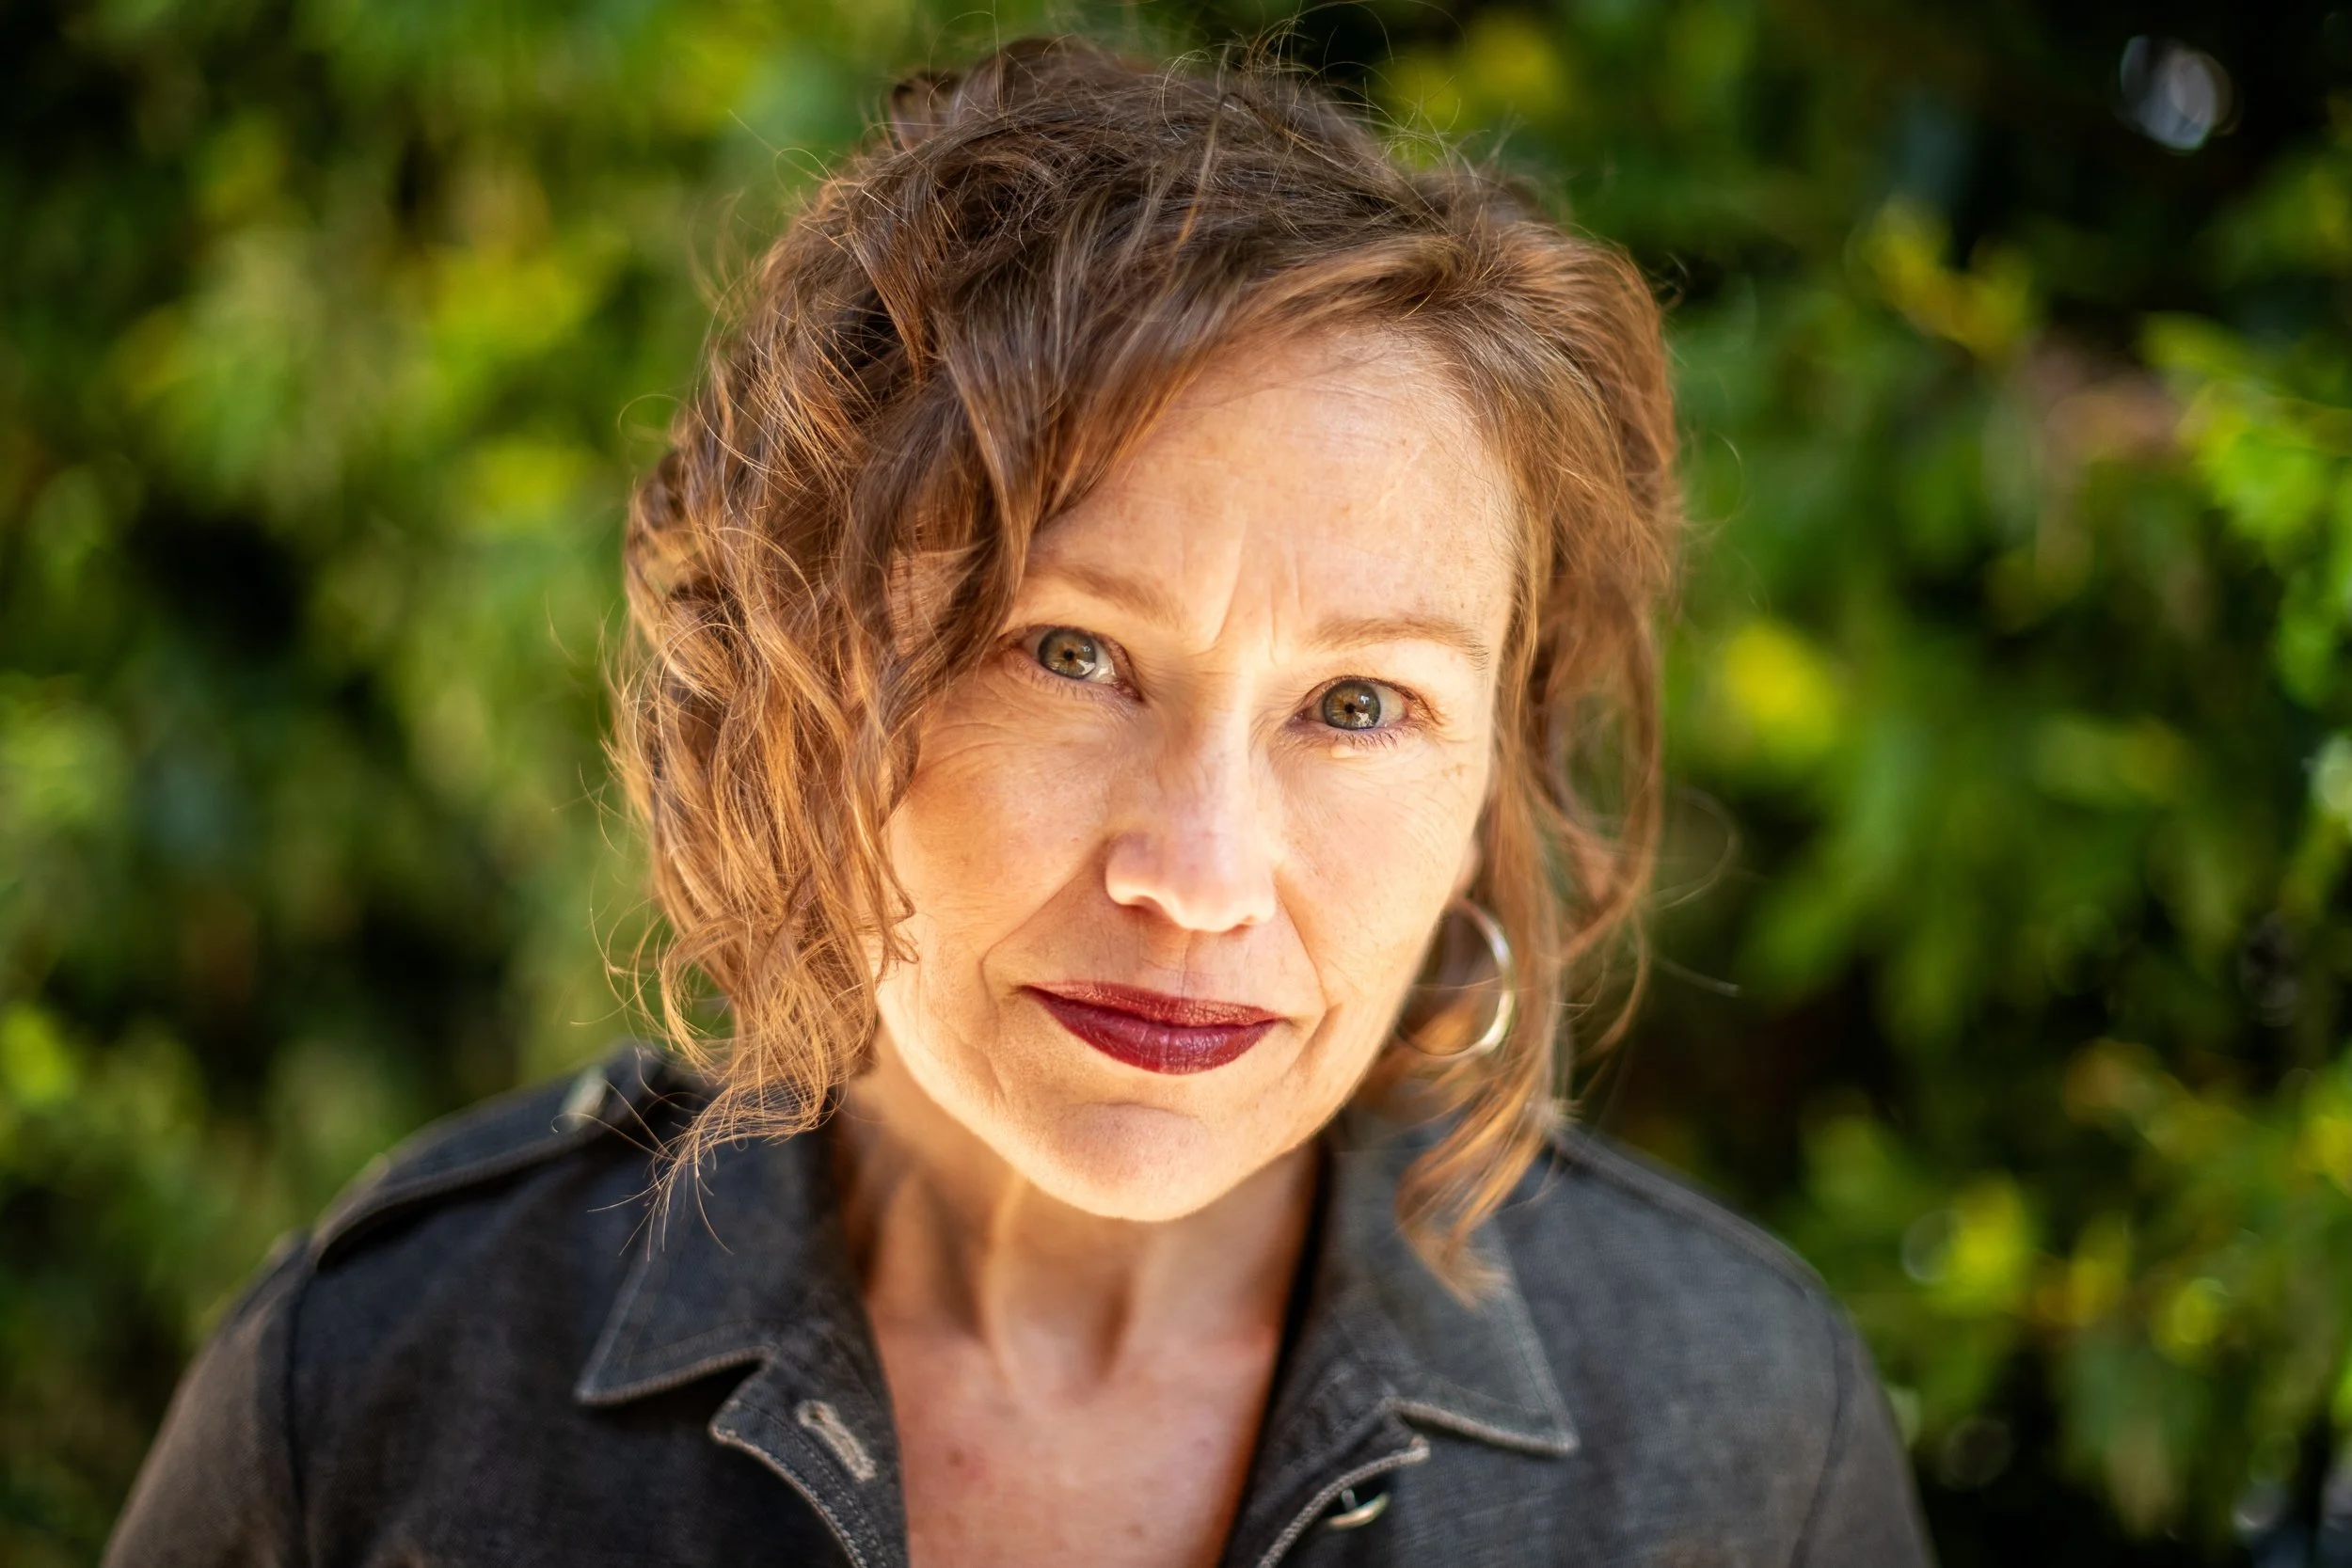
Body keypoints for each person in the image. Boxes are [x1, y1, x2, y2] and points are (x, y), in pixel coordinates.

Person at [107, 38, 1932, 1568]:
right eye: (1068, 654)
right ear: (802, 668)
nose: (1198, 876)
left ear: (1489, 779)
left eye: (1359, 704)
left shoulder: (1735, 1428)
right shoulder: (381, 1381)